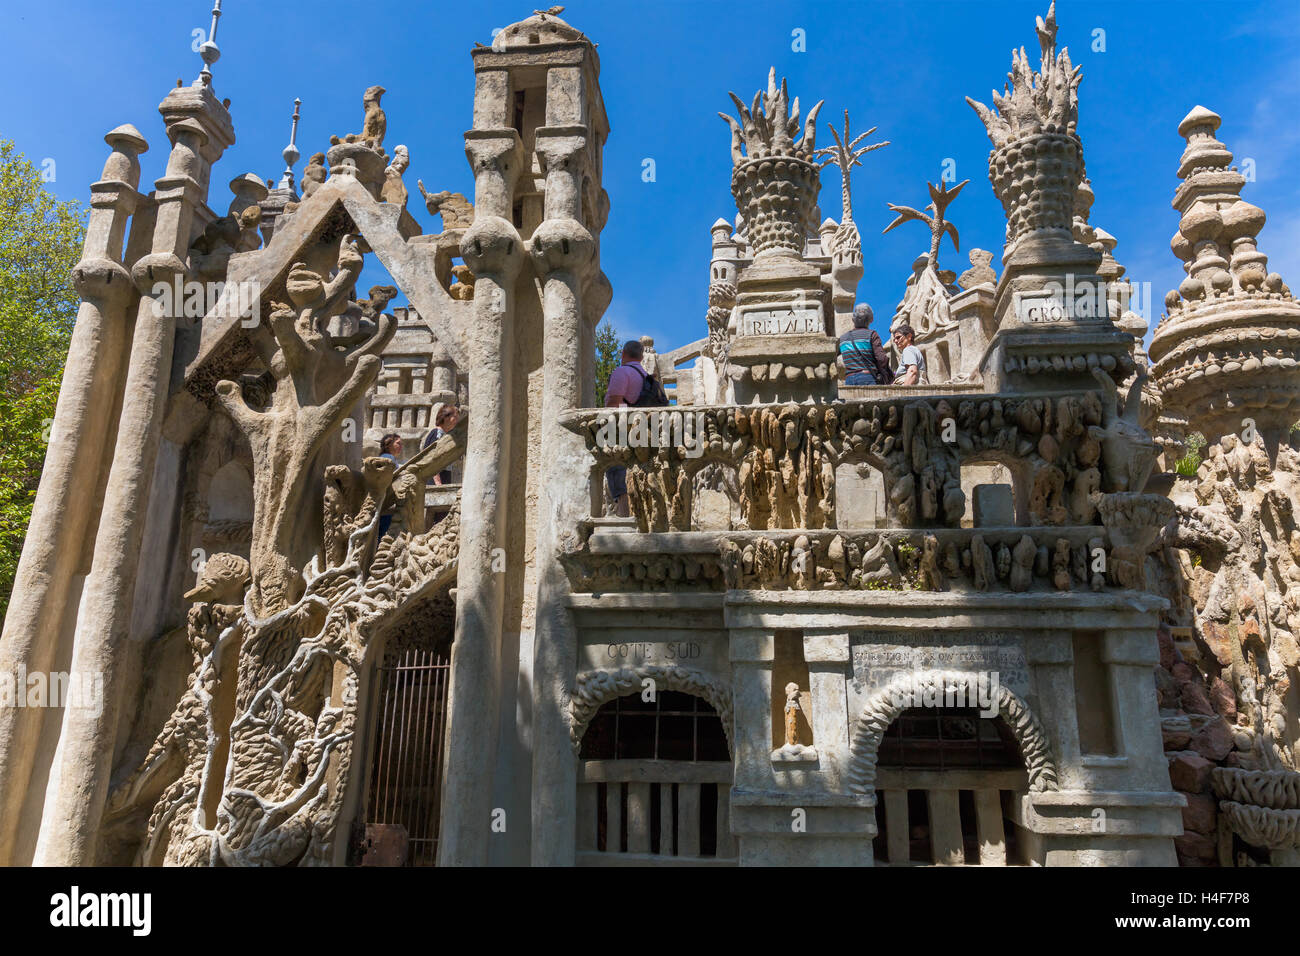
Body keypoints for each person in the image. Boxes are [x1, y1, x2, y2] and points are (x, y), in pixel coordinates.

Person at [603, 339, 666, 517]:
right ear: (641, 357)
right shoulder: (648, 378)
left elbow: (613, 403)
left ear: (623, 354)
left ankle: (625, 515)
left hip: (625, 430)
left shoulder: (622, 372)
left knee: (616, 467)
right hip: (647, 432)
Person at [837, 304, 893, 386]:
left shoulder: (842, 339)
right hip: (868, 378)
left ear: (853, 319)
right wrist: (887, 375)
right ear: (871, 319)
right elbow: (882, 359)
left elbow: (832, 356)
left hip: (849, 380)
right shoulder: (872, 335)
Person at [422, 403, 461, 485]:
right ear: (446, 417)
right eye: (455, 417)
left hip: (445, 476)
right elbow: (432, 459)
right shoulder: (436, 434)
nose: (457, 421)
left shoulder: (446, 435)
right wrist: (437, 482)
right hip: (434, 480)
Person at [377, 432, 402, 535]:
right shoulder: (389, 458)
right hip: (387, 501)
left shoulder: (385, 457)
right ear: (389, 445)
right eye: (398, 443)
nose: (401, 446)